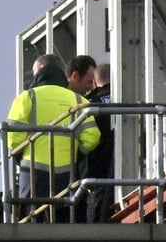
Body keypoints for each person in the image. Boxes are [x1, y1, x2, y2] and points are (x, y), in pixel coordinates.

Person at [8, 54, 100, 222]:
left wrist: (22, 155)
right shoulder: (78, 99)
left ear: (41, 71)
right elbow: (92, 137)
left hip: (33, 173)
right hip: (66, 174)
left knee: (30, 221)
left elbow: (13, 138)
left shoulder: (27, 97)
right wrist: (77, 153)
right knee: (65, 220)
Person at [85, 63, 114, 222]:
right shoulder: (128, 98)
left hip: (99, 173)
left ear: (95, 82)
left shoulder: (90, 104)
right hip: (131, 176)